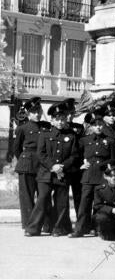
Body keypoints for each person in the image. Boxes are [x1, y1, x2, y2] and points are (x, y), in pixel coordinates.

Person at [25, 102, 79, 237]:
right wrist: (52, 166)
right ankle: (33, 228)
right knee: (42, 199)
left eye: (63, 119)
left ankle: (59, 228)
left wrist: (63, 167)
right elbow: (41, 154)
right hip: (46, 174)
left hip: (63, 174)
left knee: (62, 203)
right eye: (57, 119)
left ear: (66, 119)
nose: (60, 122)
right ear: (52, 120)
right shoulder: (44, 134)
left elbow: (74, 155)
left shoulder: (71, 136)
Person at [69, 110, 115, 237]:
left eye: (100, 124)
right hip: (88, 176)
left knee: (99, 204)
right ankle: (79, 229)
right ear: (91, 126)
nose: (98, 127)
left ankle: (98, 228)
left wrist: (103, 165)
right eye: (95, 125)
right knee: (84, 204)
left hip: (102, 176)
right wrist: (81, 165)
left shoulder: (110, 141)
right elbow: (76, 155)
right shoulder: (84, 140)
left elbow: (113, 158)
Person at [13, 97, 51, 229]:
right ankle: (29, 224)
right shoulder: (22, 128)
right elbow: (16, 149)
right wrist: (25, 160)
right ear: (28, 114)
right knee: (27, 197)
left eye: (39, 111)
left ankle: (46, 224)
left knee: (44, 195)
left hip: (42, 165)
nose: (37, 114)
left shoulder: (46, 127)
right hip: (27, 164)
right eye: (34, 112)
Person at [62, 98, 84, 218]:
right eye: (66, 114)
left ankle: (81, 223)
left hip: (76, 168)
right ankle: (64, 224)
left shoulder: (79, 128)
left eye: (71, 113)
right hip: (64, 167)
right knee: (62, 198)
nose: (69, 116)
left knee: (78, 197)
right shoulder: (59, 128)